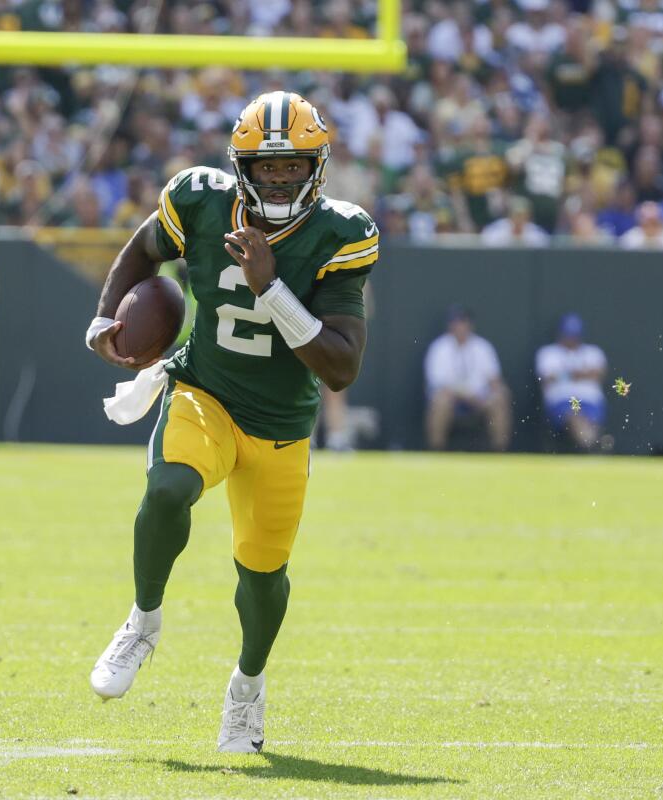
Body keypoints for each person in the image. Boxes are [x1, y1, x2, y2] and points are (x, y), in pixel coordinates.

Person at [84, 91, 379, 752]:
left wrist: (270, 287)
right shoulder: (199, 197)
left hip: (281, 424)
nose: (279, 177)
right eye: (267, 166)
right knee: (167, 490)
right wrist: (106, 319)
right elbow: (142, 250)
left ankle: (247, 688)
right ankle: (143, 621)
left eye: (293, 166)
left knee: (262, 575)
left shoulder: (343, 232)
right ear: (242, 165)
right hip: (204, 393)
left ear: (317, 166)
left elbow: (340, 367)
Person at [424, 305, 512, 452]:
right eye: (456, 322)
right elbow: (438, 385)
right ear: (450, 325)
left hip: (480, 399)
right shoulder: (439, 348)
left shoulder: (483, 347)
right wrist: (466, 397)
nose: (460, 326)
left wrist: (489, 395)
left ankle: (499, 452)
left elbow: (495, 381)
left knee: (501, 397)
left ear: (470, 325)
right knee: (440, 401)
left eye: (463, 322)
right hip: (452, 400)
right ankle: (436, 451)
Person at [535, 313, 608, 451]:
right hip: (563, 401)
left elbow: (598, 374)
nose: (571, 339)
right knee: (575, 415)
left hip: (590, 401)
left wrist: (564, 374)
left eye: (574, 335)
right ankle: (590, 446)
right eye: (568, 335)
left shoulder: (593, 352)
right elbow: (548, 377)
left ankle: (590, 444)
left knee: (586, 418)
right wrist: (580, 374)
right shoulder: (548, 353)